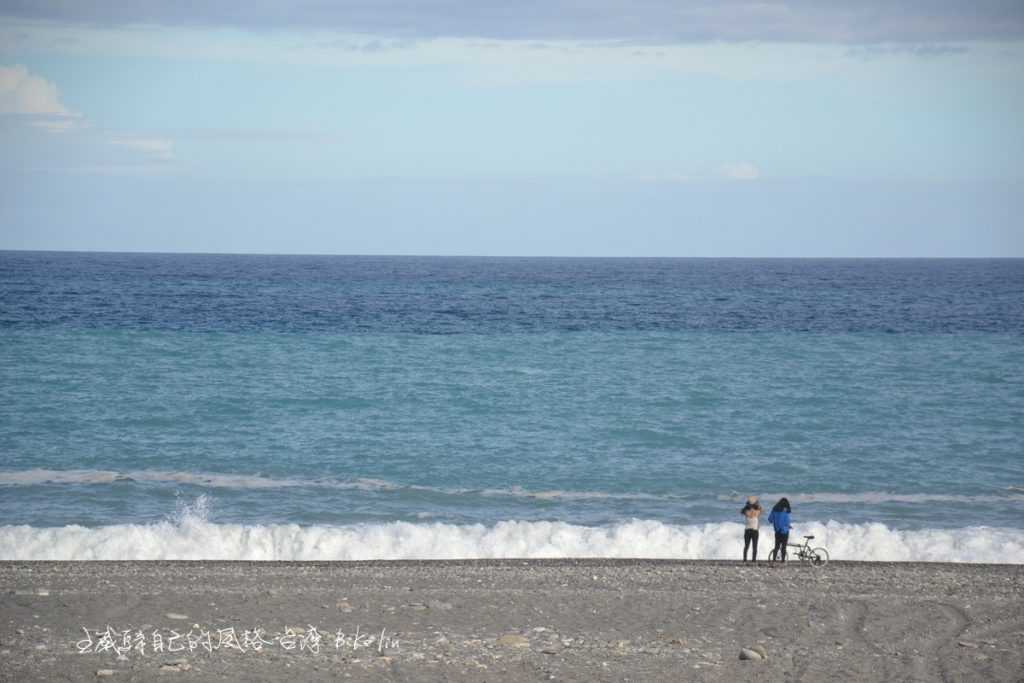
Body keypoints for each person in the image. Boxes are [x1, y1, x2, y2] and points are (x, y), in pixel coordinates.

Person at [767, 497, 792, 561]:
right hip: (785, 531)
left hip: (777, 531)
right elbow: (787, 521)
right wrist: (788, 526)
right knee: (784, 547)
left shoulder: (774, 510)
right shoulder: (786, 511)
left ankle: (773, 560)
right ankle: (783, 561)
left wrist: (775, 522)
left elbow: (770, 520)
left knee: (776, 547)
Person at [740, 496, 762, 561]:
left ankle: (744, 559)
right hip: (754, 530)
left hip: (747, 530)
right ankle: (754, 560)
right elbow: (761, 509)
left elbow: (741, 511)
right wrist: (756, 503)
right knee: (754, 546)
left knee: (746, 546)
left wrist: (748, 504)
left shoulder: (746, 511)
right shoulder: (757, 512)